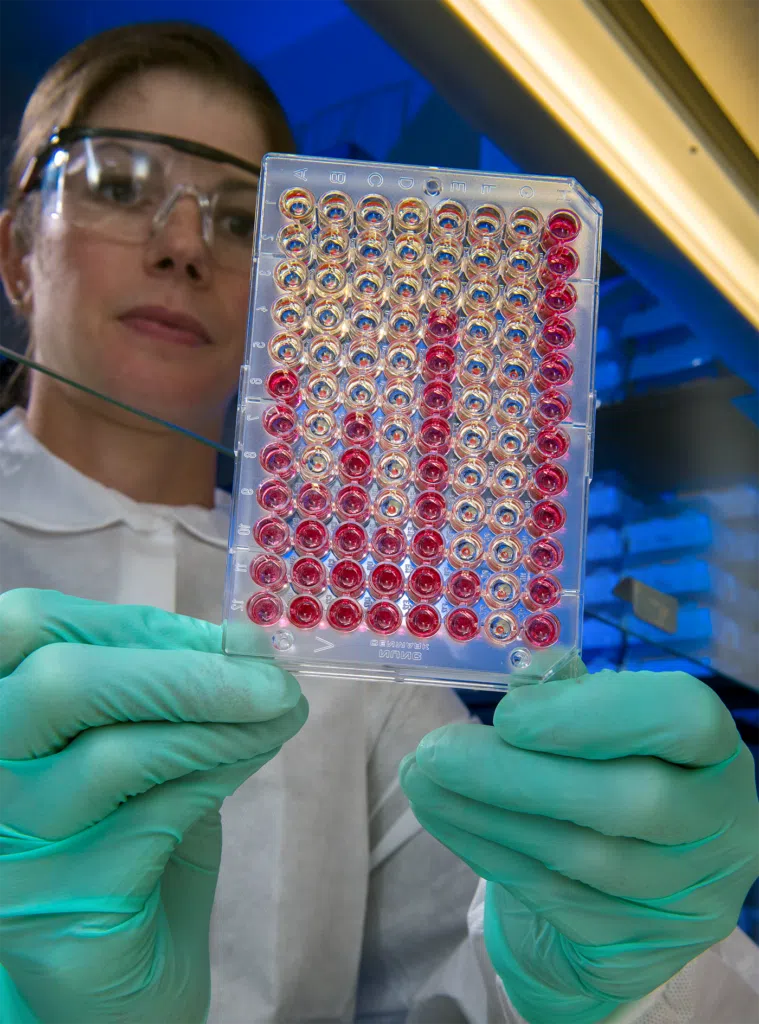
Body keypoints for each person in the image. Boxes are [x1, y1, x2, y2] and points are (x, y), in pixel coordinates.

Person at [0, 21, 757, 1024]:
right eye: (120, 185)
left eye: (240, 218)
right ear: (17, 253)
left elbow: (474, 981)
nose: (182, 244)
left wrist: (613, 961)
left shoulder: (344, 628)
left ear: (291, 290)